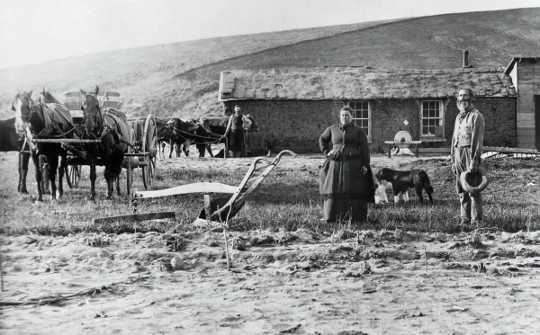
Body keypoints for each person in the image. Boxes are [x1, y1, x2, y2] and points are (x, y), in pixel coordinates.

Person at [319, 106, 374, 223]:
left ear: (352, 117)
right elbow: (322, 139)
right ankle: (332, 216)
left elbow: (365, 149)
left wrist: (365, 164)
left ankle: (355, 218)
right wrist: (326, 152)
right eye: (343, 115)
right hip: (336, 164)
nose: (345, 117)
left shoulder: (358, 131)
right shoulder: (332, 129)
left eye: (347, 115)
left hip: (353, 165)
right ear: (340, 117)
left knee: (353, 189)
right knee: (334, 188)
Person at [450, 88, 485, 226]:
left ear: (471, 98)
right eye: (460, 95)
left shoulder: (476, 116)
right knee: (461, 190)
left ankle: (477, 222)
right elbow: (454, 140)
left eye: (465, 95)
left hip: (470, 155)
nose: (462, 98)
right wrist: (453, 160)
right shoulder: (458, 117)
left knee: (472, 189)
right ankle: (465, 220)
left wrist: (474, 161)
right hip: (458, 154)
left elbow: (477, 140)